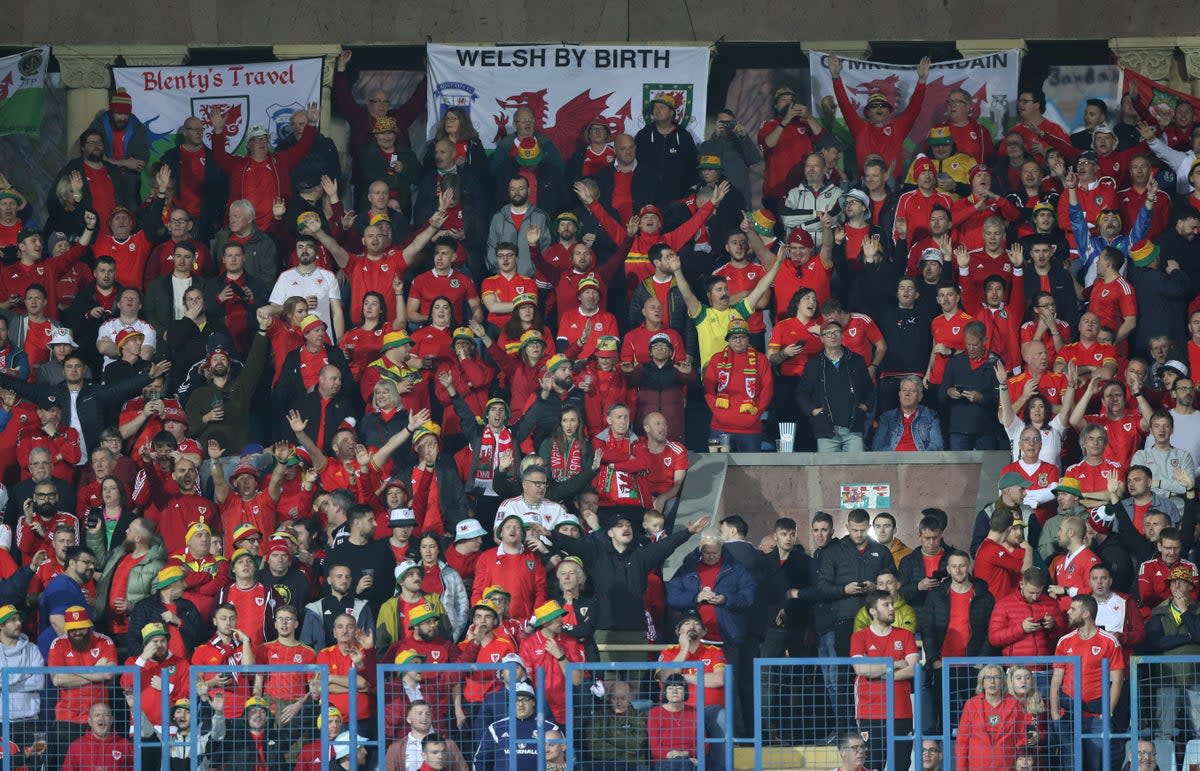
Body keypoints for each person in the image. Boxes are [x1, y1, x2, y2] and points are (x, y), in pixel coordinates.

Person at [1050, 594, 1125, 768]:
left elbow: (1117, 681)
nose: (1068, 612)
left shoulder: (1109, 642)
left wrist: (1106, 713)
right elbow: (1056, 681)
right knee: (1070, 765)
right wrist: (1055, 713)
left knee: (1095, 765)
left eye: (1073, 609)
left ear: (1086, 614)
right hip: (1068, 716)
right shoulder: (1064, 642)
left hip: (1096, 716)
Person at [850, 589, 918, 771]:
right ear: (873, 610)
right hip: (870, 711)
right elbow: (861, 669)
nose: (892, 608)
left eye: (892, 604)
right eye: (886, 605)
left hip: (901, 711)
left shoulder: (905, 635)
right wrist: (895, 664)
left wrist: (878, 674)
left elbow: (913, 669)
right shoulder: (859, 636)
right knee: (872, 765)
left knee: (902, 765)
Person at [474, 681, 560, 771]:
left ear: (533, 702)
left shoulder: (550, 729)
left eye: (525, 699)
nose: (520, 704)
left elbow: (562, 761)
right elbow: (481, 761)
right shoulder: (496, 729)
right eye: (516, 700)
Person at [954, 664, 1027, 771]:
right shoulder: (971, 705)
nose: (992, 681)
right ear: (982, 682)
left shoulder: (1014, 704)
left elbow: (1021, 737)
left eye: (997, 677)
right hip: (977, 766)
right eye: (988, 678)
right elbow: (962, 741)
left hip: (1005, 766)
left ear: (1002, 682)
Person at [872, 375, 944, 451]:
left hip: (920, 461)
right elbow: (877, 446)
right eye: (904, 390)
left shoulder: (930, 416)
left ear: (920, 396)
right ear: (899, 394)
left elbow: (937, 445)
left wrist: (920, 459)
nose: (907, 394)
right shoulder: (887, 417)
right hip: (893, 460)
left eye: (912, 391)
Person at [647, 673, 701, 770]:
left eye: (679, 688)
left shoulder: (695, 712)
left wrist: (686, 753)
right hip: (664, 760)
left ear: (685, 691)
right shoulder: (654, 713)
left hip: (690, 758)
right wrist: (675, 755)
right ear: (665, 692)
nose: (674, 691)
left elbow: (703, 744)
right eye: (670, 688)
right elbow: (654, 748)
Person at [60, 702, 134, 771]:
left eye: (106, 715)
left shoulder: (125, 744)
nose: (101, 718)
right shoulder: (76, 746)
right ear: (90, 721)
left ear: (111, 720)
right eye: (97, 715)